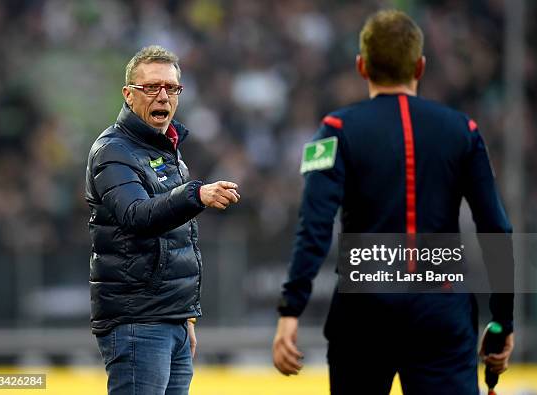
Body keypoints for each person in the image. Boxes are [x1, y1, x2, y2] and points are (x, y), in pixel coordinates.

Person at [272, 10, 514, 395]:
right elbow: (496, 227)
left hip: (364, 309)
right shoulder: (464, 130)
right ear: (420, 66)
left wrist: (291, 309)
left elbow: (314, 224)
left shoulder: (331, 131)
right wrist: (502, 322)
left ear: (361, 66)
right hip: (442, 305)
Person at [85, 45, 240, 395]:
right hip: (137, 322)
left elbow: (174, 239)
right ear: (128, 94)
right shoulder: (113, 150)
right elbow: (135, 215)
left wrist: (183, 314)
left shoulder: (167, 152)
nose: (163, 96)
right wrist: (194, 195)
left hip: (170, 321)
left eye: (171, 88)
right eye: (151, 87)